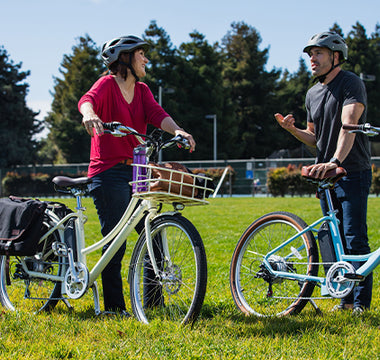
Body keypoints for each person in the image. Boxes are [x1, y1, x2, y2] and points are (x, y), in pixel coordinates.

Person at [78, 35, 195, 316]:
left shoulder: (142, 91)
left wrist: (177, 130)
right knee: (115, 241)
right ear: (125, 58)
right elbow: (87, 100)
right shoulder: (107, 84)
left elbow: (157, 114)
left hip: (136, 171)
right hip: (107, 172)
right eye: (141, 54)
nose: (146, 59)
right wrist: (90, 115)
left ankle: (153, 302)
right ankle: (114, 308)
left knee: (152, 231)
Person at [274, 31, 372, 314]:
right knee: (332, 234)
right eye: (309, 54)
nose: (312, 59)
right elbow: (314, 137)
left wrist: (336, 160)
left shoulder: (350, 83)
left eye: (318, 53)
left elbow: (349, 124)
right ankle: (343, 297)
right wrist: (293, 130)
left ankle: (359, 304)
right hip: (325, 176)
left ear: (335, 56)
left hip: (351, 170)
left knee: (354, 237)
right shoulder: (312, 93)